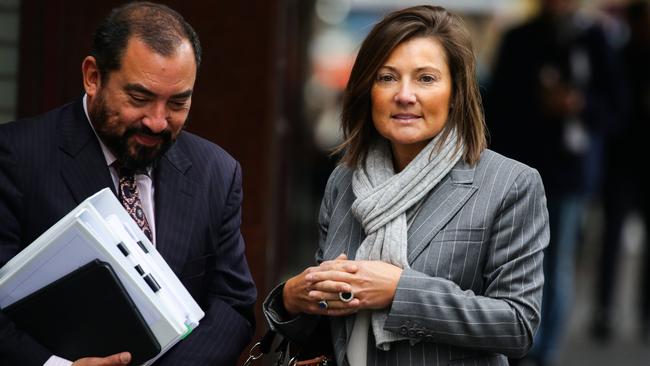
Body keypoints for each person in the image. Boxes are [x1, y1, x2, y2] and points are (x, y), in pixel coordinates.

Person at [263, 5, 549, 366]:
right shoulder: (345, 178)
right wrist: (293, 297)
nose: (404, 94)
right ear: (368, 90)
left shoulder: (510, 184)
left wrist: (399, 291)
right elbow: (331, 319)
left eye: (426, 79)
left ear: (456, 92)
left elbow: (518, 325)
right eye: (387, 77)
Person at [0, 2, 256, 365]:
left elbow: (232, 303)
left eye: (178, 103)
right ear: (93, 77)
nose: (157, 121)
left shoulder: (216, 171)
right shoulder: (16, 157)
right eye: (140, 98)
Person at [487, 1, 625, 365]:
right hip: (520, 168)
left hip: (570, 173)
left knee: (558, 259)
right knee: (514, 258)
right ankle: (517, 339)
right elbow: (497, 103)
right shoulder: (520, 38)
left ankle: (545, 346)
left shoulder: (596, 38)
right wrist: (537, 103)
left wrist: (578, 104)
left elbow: (615, 109)